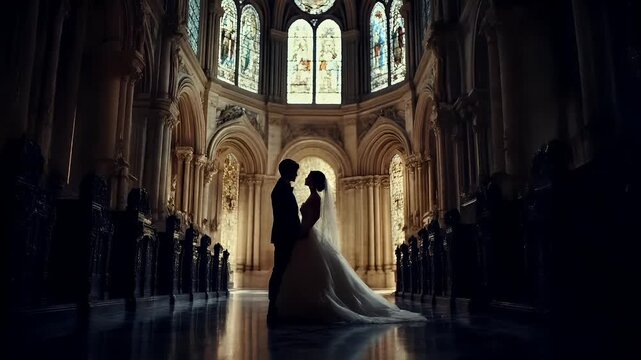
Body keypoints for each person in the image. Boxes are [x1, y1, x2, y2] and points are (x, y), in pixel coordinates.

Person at [276, 170, 426, 324]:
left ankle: (315, 303)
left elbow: (315, 217)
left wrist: (304, 230)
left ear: (313, 181)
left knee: (312, 270)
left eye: (309, 176)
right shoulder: (312, 196)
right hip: (305, 234)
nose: (305, 177)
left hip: (307, 234)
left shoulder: (315, 198)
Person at [267, 159, 301, 325]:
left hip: (286, 235)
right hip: (285, 235)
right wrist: (298, 231)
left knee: (282, 268)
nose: (297, 174)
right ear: (288, 171)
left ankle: (278, 302)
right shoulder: (281, 190)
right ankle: (273, 302)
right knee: (279, 268)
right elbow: (286, 217)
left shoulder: (283, 187)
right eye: (295, 171)